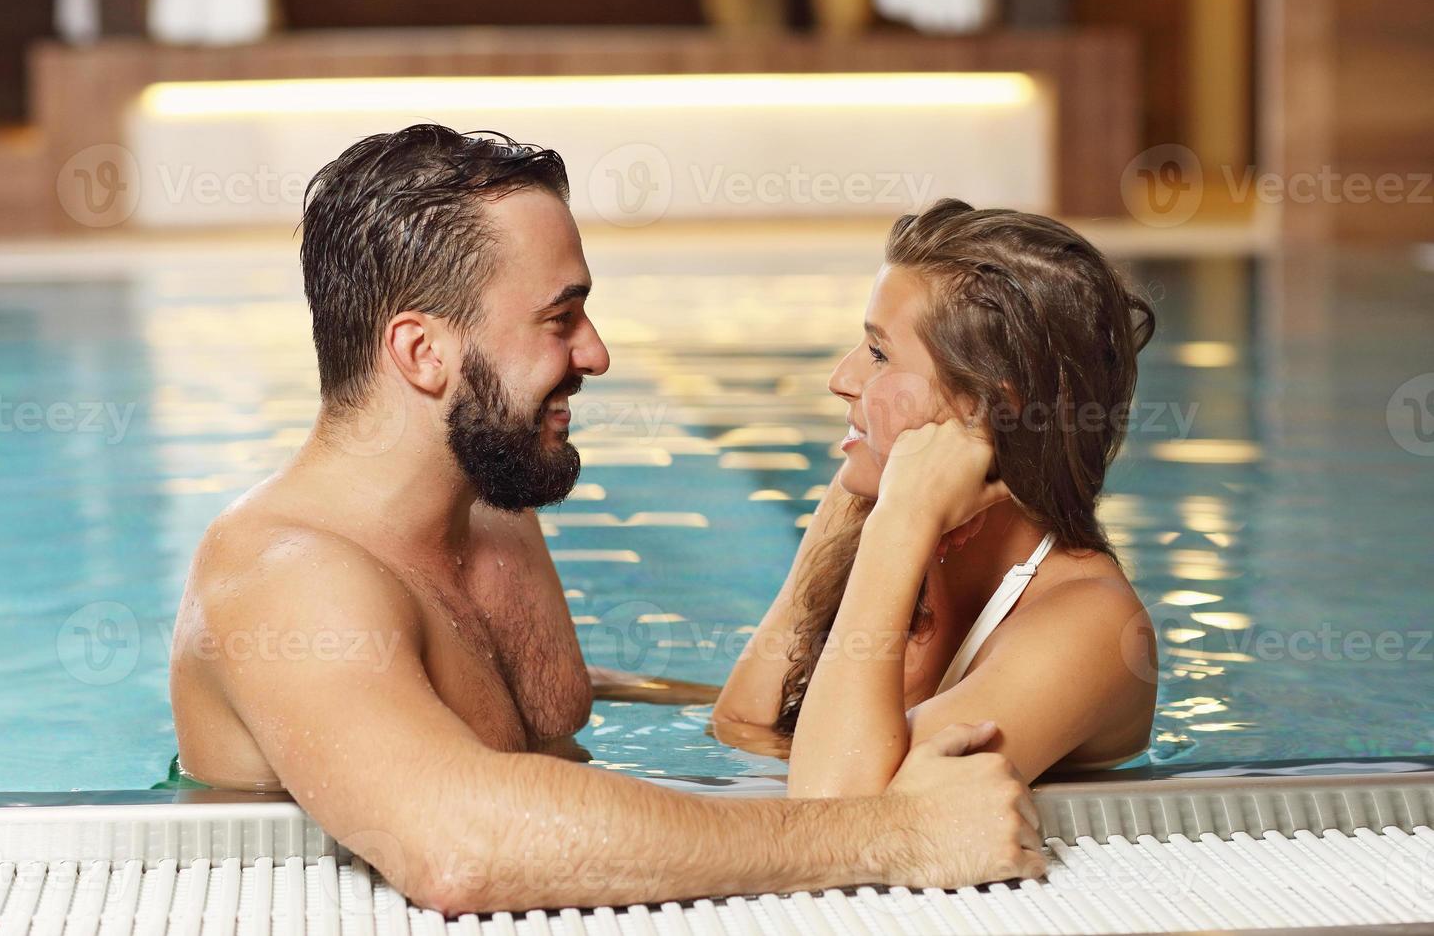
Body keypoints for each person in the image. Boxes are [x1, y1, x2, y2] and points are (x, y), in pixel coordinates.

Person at [168, 125, 1044, 914]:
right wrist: (890, 836)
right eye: (560, 320)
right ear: (422, 352)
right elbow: (460, 848)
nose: (596, 352)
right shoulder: (284, 577)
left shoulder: (493, 512)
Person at [713, 200, 1161, 796]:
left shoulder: (1091, 628)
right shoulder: (867, 492)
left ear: (987, 408)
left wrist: (903, 524)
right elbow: (742, 720)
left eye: (878, 354)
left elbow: (835, 814)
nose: (841, 377)